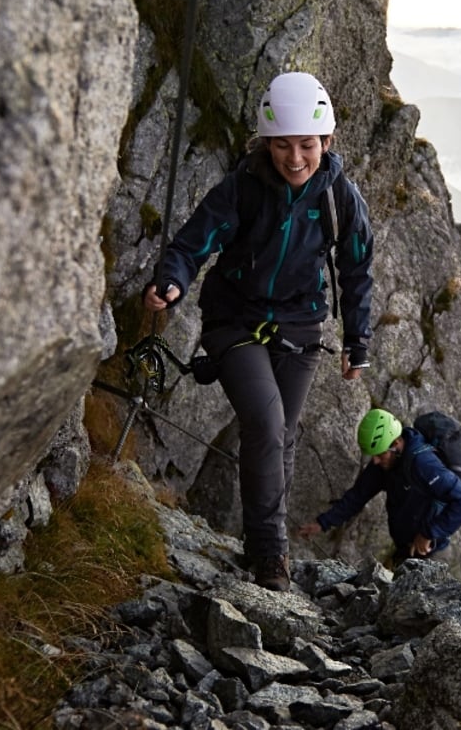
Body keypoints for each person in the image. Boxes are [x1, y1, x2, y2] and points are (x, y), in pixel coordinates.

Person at [143, 72, 373, 591]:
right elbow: (189, 245)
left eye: (307, 145)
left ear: (326, 143)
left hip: (300, 325)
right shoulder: (241, 190)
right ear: (266, 143)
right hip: (234, 321)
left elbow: (358, 268)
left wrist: (358, 341)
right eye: (283, 145)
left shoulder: (339, 196)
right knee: (267, 425)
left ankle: (260, 544)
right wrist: (172, 281)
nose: (296, 158)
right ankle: (271, 556)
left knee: (283, 437)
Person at [298, 408, 461, 565]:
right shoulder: (384, 462)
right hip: (405, 548)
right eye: (373, 455)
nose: (374, 461)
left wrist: (429, 533)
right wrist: (323, 523)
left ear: (397, 443)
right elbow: (358, 496)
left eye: (379, 455)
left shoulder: (423, 464)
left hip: (429, 550)